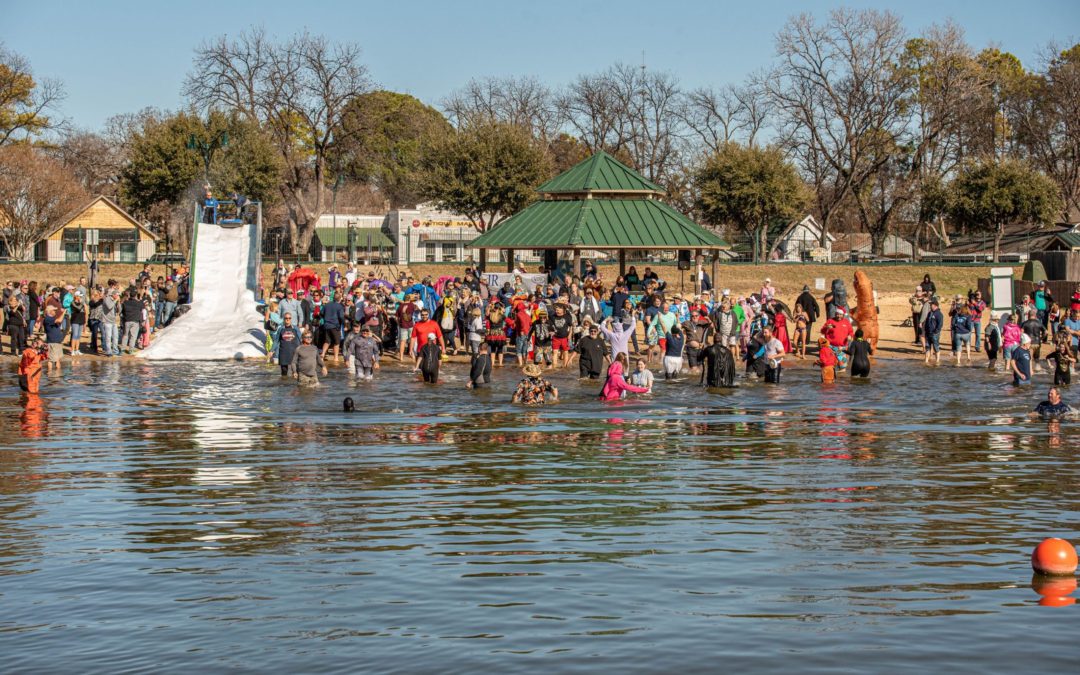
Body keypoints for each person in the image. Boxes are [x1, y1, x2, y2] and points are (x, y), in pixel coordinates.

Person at [42, 306, 64, 374]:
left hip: (57, 342)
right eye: (54, 310)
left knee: (57, 359)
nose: (55, 311)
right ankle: (50, 374)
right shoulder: (47, 318)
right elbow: (59, 320)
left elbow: (59, 321)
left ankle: (58, 374)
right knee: (51, 360)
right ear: (49, 311)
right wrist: (64, 312)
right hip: (52, 342)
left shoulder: (52, 318)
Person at [923, 300, 943, 365]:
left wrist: (936, 331)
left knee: (936, 347)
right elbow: (927, 322)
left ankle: (937, 361)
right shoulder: (929, 313)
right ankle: (926, 361)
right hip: (928, 333)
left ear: (935, 306)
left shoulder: (939, 314)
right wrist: (925, 330)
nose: (930, 306)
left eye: (931, 305)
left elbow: (940, 324)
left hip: (934, 334)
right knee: (927, 347)